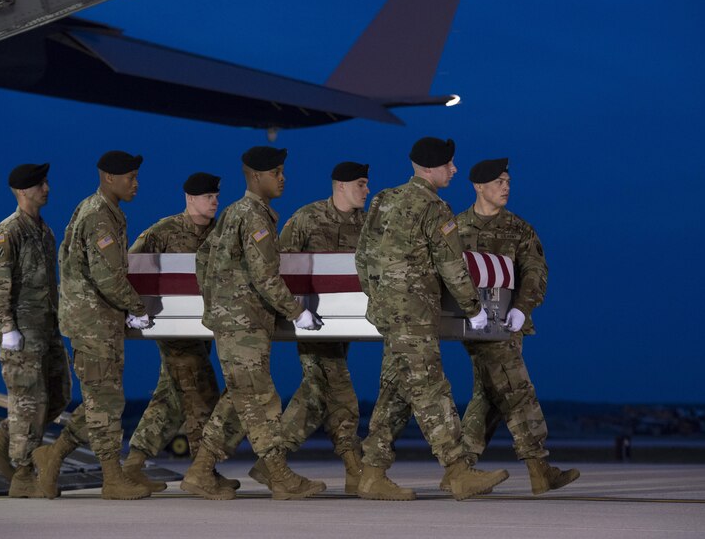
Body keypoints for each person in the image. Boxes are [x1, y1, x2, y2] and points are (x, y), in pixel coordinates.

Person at [354, 137, 509, 501]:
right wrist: (474, 308)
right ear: (431, 168)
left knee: (396, 391)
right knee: (430, 388)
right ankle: (458, 471)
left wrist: (377, 298)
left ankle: (372, 473)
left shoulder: (382, 200)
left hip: (388, 313)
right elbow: (453, 266)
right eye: (449, 164)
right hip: (414, 314)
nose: (454, 170)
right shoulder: (435, 208)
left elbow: (361, 256)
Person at [180, 146, 326, 501]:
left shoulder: (233, 212)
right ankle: (279, 476)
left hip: (234, 322)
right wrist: (296, 312)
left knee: (238, 398)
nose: (282, 178)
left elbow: (203, 258)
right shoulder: (255, 216)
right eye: (276, 172)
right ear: (256, 177)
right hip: (243, 325)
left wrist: (218, 300)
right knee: (259, 397)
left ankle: (200, 472)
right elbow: (265, 276)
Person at [453, 157, 579, 494]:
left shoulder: (519, 229)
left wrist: (523, 309)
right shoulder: (454, 229)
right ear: (479, 186)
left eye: (508, 181)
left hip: (509, 322)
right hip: (472, 324)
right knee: (516, 388)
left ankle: (460, 468)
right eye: (499, 182)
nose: (506, 187)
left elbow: (536, 272)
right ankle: (539, 468)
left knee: (492, 393)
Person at [33, 150, 152, 501]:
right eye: (130, 176)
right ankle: (112, 478)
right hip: (93, 323)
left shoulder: (102, 210)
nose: (136, 183)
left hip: (99, 321)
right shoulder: (99, 216)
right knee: (106, 400)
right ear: (108, 178)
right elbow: (108, 277)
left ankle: (51, 458)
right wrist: (136, 307)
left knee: (101, 399)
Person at [247, 161, 369, 494]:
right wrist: (293, 313)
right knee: (338, 387)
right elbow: (280, 263)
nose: (366, 190)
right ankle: (353, 464)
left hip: (346, 323)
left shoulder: (369, 225)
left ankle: (271, 462)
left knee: (317, 393)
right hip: (312, 321)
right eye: (360, 184)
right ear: (340, 186)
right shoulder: (307, 218)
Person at [123, 172, 238, 493]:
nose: (214, 202)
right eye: (207, 197)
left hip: (204, 329)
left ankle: (132, 465)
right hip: (173, 328)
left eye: (216, 196)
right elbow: (130, 267)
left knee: (170, 398)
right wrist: (135, 310)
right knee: (200, 394)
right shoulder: (163, 231)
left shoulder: (222, 233)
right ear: (190, 199)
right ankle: (204, 472)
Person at [0, 163, 72, 498]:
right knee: (28, 401)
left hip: (47, 328)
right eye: (39, 184)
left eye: (46, 181)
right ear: (22, 191)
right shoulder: (8, 231)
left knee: (58, 396)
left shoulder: (43, 231)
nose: (46, 188)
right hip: (22, 332)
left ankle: (1, 441)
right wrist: (6, 327)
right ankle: (22, 474)